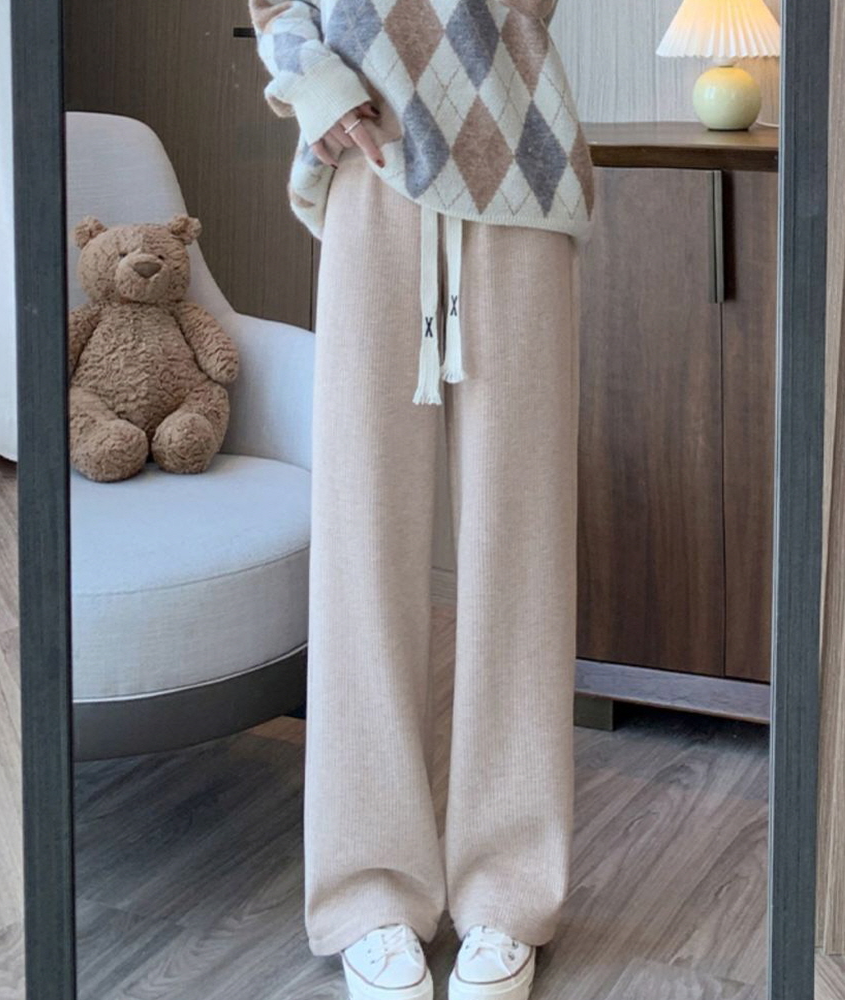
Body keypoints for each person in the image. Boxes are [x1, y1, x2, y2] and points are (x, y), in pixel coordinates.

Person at [248, 2, 594, 997]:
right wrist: (315, 83)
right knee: (360, 541)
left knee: (521, 547)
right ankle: (369, 891)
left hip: (517, 163)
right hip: (370, 162)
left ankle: (508, 890)